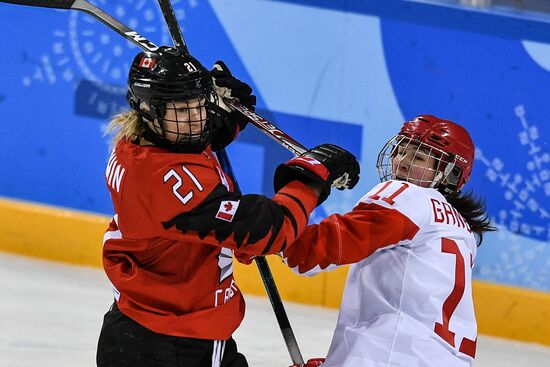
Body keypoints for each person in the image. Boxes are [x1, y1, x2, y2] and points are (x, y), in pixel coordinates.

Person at [95, 45, 360, 367]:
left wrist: (229, 109)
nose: (195, 119)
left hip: (148, 327)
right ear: (148, 111)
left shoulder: (145, 141)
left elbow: (203, 138)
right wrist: (309, 180)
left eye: (199, 106)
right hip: (172, 343)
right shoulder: (167, 181)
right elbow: (268, 230)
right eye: (182, 109)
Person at [280, 115, 496, 367]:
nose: (402, 162)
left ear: (449, 173)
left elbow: (308, 255)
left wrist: (282, 215)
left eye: (418, 157)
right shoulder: (462, 230)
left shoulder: (408, 197)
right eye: (400, 150)